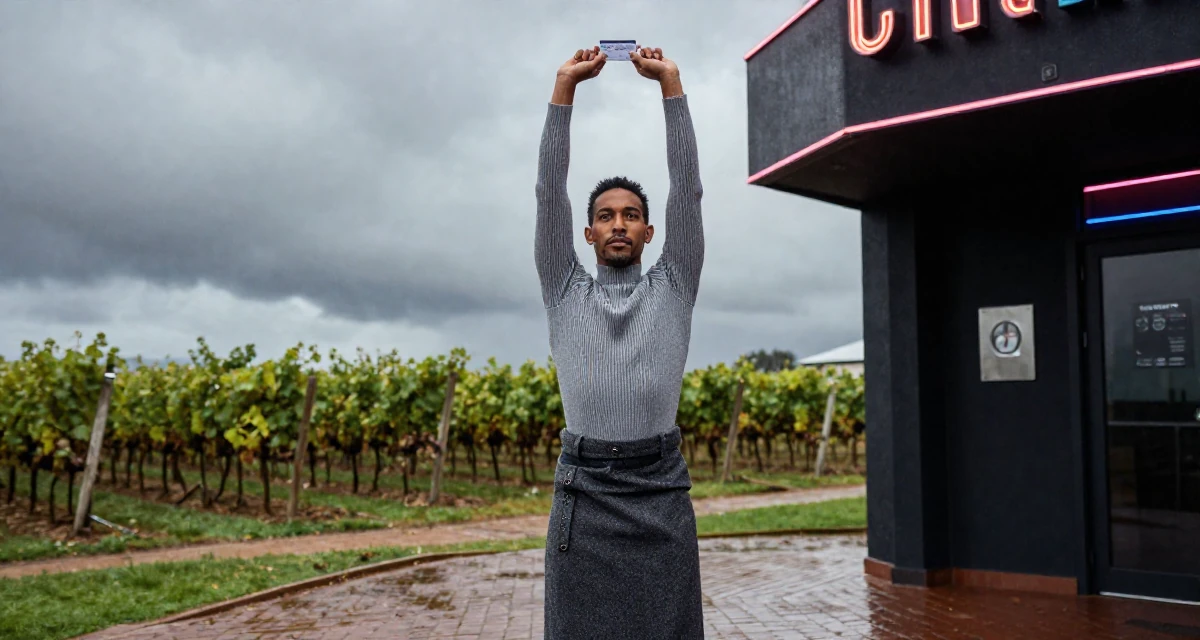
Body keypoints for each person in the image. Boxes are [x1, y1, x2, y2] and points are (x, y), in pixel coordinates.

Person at [535, 45, 705, 639]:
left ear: (649, 231)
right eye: (605, 216)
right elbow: (548, 192)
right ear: (586, 233)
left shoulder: (675, 283)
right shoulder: (563, 286)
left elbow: (688, 191)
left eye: (630, 215)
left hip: (660, 491)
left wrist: (670, 85)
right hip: (584, 493)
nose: (617, 224)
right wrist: (564, 88)